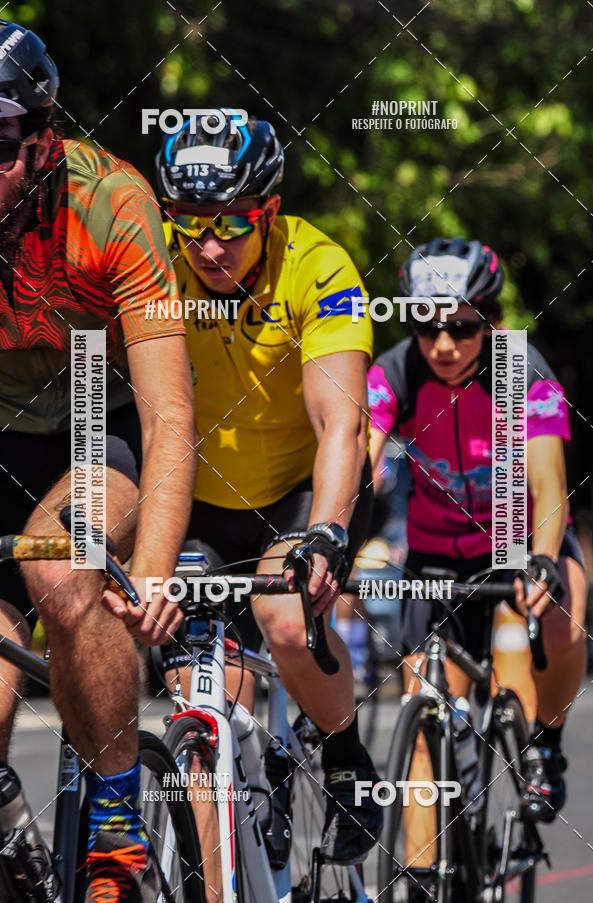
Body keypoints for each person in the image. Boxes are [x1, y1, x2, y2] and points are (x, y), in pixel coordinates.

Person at [0, 20, 196, 902]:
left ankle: (116, 826)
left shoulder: (112, 202)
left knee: (69, 575)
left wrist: (149, 572)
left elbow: (171, 410)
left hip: (91, 412)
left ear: (44, 138)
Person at [155, 111, 383, 865]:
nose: (209, 246)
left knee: (284, 616)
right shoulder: (157, 263)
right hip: (204, 499)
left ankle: (347, 759)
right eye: (190, 225)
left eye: (232, 224)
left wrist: (325, 533)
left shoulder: (319, 267)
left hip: (301, 487)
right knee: (200, 687)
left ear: (271, 211)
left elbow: (340, 426)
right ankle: (230, 840)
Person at [367, 238, 586, 899]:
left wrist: (543, 561)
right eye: (426, 324)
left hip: (521, 541)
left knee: (565, 617)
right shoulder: (397, 371)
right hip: (437, 554)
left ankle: (546, 740)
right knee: (424, 704)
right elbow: (359, 452)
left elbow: (550, 488)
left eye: (461, 326)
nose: (443, 343)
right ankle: (424, 877)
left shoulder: (522, 371)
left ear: (488, 320)